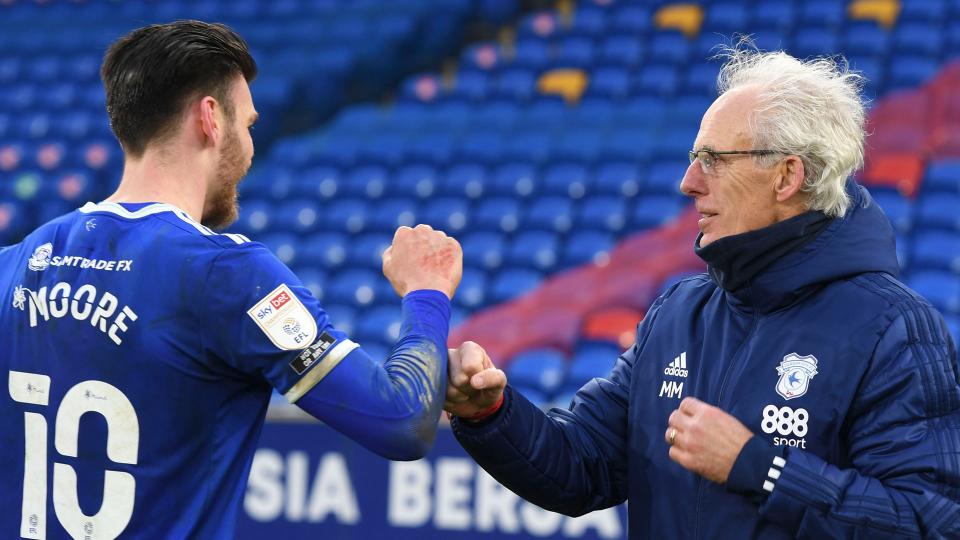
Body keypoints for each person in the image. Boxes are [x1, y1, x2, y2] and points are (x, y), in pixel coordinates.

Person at [445, 48, 960, 539]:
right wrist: (491, 412)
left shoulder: (893, 328)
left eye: (713, 159)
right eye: (695, 157)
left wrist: (760, 468)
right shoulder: (678, 313)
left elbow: (930, 522)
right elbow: (581, 465)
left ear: (787, 175)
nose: (689, 182)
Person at [0, 21, 462, 539]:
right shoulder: (224, 273)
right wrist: (427, 292)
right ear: (210, 118)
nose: (250, 147)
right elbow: (401, 421)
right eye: (248, 124)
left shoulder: (14, 263)